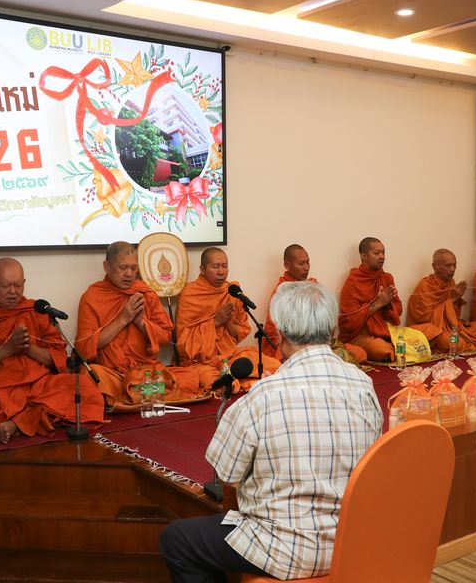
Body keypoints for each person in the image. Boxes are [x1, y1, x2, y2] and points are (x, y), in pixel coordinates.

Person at [159, 282, 383, 582]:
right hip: (350, 541)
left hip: (283, 548)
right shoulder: (363, 384)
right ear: (333, 331)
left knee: (177, 540)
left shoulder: (264, 395)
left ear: (280, 334)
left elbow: (226, 473)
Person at [0, 258, 104, 443]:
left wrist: (28, 348)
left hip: (37, 384)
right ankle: (25, 421)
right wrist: (8, 349)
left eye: (18, 285)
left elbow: (57, 361)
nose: (13, 292)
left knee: (83, 388)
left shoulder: (36, 311)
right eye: (6, 286)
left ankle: (14, 425)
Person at [76, 242, 204, 406]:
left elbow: (165, 336)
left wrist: (142, 323)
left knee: (191, 376)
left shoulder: (145, 293)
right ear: (107, 266)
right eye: (123, 268)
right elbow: (84, 348)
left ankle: (134, 394)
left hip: (146, 373)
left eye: (134, 268)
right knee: (90, 376)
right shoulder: (93, 297)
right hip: (114, 374)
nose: (129, 274)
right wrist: (123, 319)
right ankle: (144, 394)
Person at [175, 248, 280, 388]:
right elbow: (184, 343)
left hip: (230, 355)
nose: (221, 271)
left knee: (275, 366)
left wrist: (228, 322)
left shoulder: (232, 292)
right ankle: (239, 381)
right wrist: (215, 322)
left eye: (224, 266)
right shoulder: (191, 294)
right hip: (201, 362)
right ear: (202, 269)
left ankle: (238, 379)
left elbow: (240, 333)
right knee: (214, 382)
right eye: (215, 266)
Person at [262, 244, 367, 363]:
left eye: (308, 262)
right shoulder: (282, 292)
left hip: (318, 340)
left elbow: (325, 318)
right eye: (301, 264)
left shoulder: (313, 286)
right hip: (295, 344)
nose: (306, 267)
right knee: (275, 362)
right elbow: (274, 330)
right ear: (287, 265)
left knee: (360, 353)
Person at [339, 237, 438, 361]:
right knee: (383, 350)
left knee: (432, 331)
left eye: (383, 252)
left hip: (390, 331)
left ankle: (401, 347)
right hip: (364, 335)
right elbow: (348, 322)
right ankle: (403, 348)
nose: (382, 256)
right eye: (376, 253)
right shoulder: (353, 282)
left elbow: (398, 309)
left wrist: (387, 304)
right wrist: (378, 303)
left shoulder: (386, 278)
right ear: (364, 256)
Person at [407, 248, 476, 353]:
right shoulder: (424, 286)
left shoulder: (451, 282)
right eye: (448, 266)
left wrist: (456, 303)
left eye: (454, 265)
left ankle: (465, 342)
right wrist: (452, 299)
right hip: (437, 332)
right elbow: (425, 320)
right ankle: (466, 344)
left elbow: (454, 317)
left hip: (454, 329)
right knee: (450, 340)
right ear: (435, 267)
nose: (453, 269)